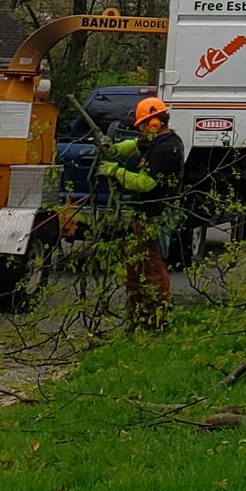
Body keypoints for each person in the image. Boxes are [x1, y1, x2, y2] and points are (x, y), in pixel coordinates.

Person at [98, 95, 185, 328]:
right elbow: (135, 145)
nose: (142, 130)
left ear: (154, 123)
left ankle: (156, 318)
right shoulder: (156, 140)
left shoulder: (166, 149)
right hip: (145, 214)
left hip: (155, 215)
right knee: (135, 267)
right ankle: (137, 317)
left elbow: (146, 183)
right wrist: (113, 149)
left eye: (144, 125)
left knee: (152, 268)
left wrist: (115, 171)